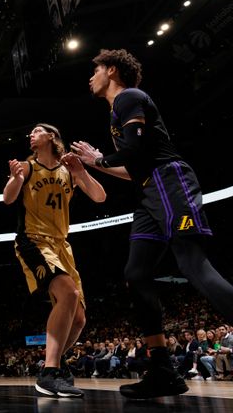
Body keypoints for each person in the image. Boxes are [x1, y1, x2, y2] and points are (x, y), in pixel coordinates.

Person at [71, 48, 233, 399]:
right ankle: (162, 369)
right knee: (136, 272)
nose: (90, 77)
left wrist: (97, 157)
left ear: (111, 71)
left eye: (94, 70)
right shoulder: (118, 110)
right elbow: (132, 168)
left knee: (192, 263)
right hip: (148, 192)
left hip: (170, 182)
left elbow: (136, 149)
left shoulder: (129, 97)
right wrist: (91, 167)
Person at [3, 123, 106, 398]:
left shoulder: (67, 169)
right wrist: (15, 179)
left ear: (51, 136)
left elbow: (99, 196)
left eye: (37, 131)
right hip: (33, 240)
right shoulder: (26, 167)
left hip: (61, 246)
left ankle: (56, 365)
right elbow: (7, 199)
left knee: (80, 319)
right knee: (68, 293)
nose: (30, 135)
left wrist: (81, 171)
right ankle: (49, 373)